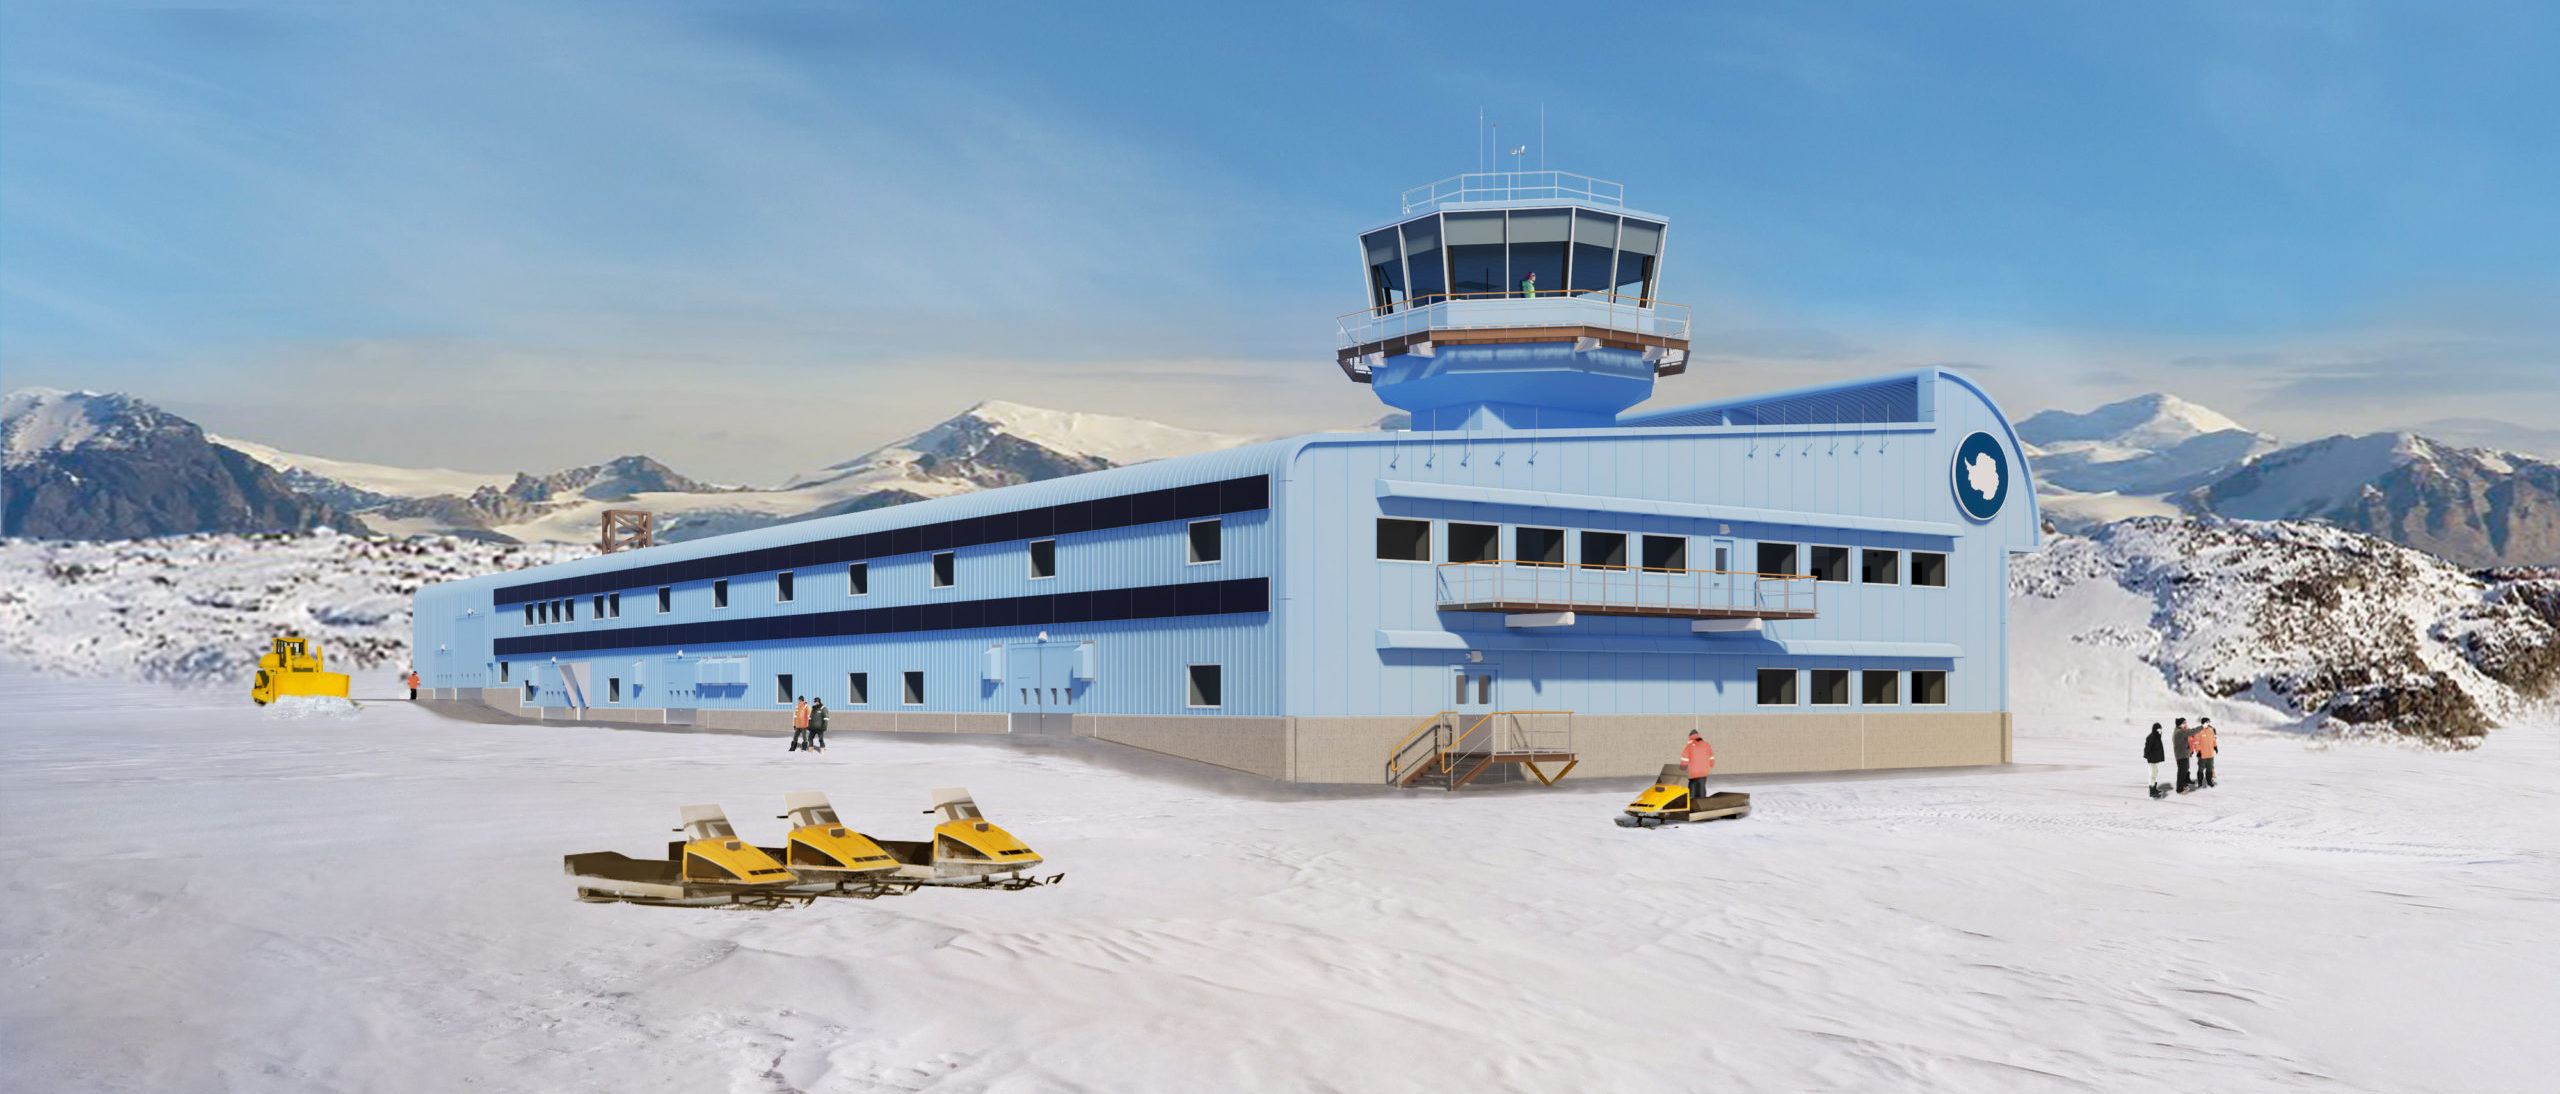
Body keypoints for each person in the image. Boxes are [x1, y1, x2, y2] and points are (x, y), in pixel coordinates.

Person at [1679, 730, 1715, 802]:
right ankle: (1703, 804)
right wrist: (1711, 764)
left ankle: (1692, 805)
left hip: (1693, 773)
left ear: (1690, 736)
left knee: (1692, 790)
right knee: (1701, 789)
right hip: (1704, 772)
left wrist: (1682, 768)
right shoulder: (1706, 744)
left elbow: (1684, 760)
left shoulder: (1689, 746)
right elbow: (1711, 757)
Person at [2172, 717, 2196, 794]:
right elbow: (2192, 732)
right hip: (2181, 755)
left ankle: (2183, 785)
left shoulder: (2181, 730)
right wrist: (2202, 727)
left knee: (2185, 770)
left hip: (2184, 754)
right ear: (2180, 724)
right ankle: (2179, 789)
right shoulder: (2180, 732)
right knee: (2182, 772)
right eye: (2184, 722)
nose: (2186, 723)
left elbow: (2189, 740)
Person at [2142, 722, 2166, 795]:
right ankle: (2152, 791)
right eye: (2159, 729)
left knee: (2155, 773)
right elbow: (2147, 749)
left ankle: (2154, 788)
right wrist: (2149, 757)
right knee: (2152, 774)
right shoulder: (2151, 737)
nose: (2160, 730)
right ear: (2155, 729)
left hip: (2155, 759)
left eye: (2160, 729)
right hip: (2152, 759)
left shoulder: (2157, 736)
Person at [2195, 718, 2218, 789]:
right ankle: (2200, 782)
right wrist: (2198, 752)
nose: (2209, 723)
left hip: (2210, 754)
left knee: (2210, 768)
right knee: (2201, 769)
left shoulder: (2211, 730)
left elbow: (2213, 739)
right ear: (2204, 723)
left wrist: (2215, 747)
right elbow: (2196, 742)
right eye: (2208, 722)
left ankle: (2209, 781)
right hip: (2202, 754)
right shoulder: (2199, 731)